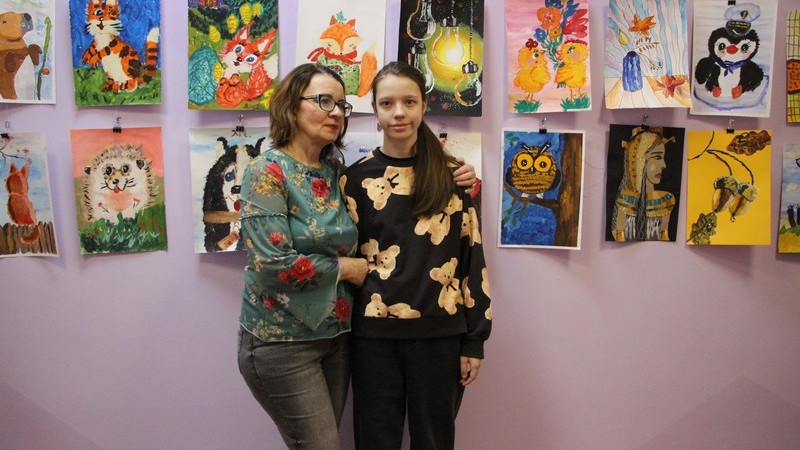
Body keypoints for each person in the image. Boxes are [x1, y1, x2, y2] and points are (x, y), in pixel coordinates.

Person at [236, 63, 477, 450]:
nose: (334, 112)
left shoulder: (334, 172)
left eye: (340, 105)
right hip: (287, 340)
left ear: (423, 106)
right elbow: (272, 263)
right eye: (323, 101)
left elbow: (468, 256)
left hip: (338, 337)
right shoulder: (271, 171)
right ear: (291, 106)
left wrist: (459, 171)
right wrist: (349, 268)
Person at [340, 61, 493, 450]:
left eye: (409, 102)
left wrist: (474, 340)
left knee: (434, 441)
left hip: (440, 335)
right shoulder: (354, 179)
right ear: (374, 110)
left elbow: (472, 258)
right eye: (387, 103)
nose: (399, 113)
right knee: (375, 441)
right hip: (373, 337)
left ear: (424, 105)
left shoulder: (453, 177)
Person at [610, 126, 677, 242]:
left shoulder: (666, 200)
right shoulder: (625, 199)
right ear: (640, 160)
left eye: (662, 158)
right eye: (657, 157)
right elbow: (619, 237)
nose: (664, 165)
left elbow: (664, 239)